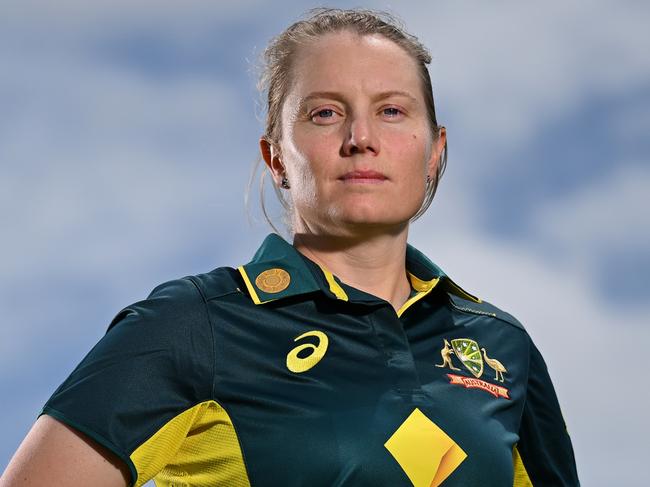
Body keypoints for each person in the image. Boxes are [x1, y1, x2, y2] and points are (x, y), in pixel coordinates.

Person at [0, 8, 579, 487]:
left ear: (433, 150)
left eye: (392, 111)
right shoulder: (194, 323)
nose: (361, 139)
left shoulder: (503, 345)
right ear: (277, 156)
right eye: (325, 113)